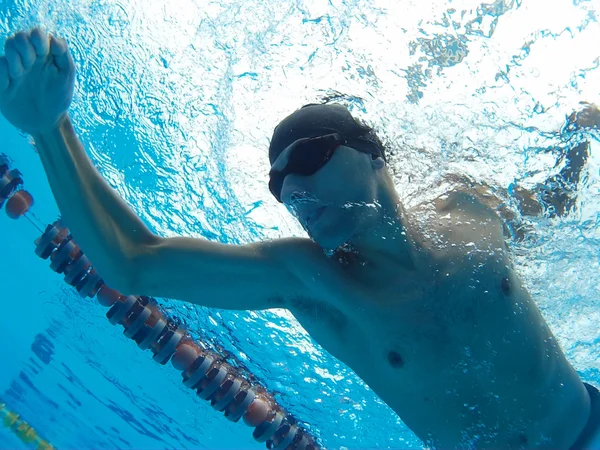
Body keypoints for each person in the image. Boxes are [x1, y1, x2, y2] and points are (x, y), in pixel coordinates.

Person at [0, 27, 597, 449]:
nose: (295, 191)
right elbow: (134, 263)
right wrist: (52, 130)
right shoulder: (315, 282)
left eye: (308, 159)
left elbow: (539, 211)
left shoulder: (467, 208)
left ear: (370, 152)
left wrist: (578, 139)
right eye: (279, 184)